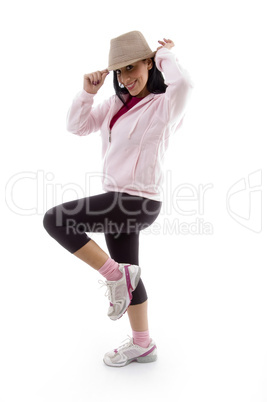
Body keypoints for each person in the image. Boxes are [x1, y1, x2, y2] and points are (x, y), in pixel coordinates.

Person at [43, 30, 193, 367]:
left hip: (137, 203)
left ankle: (116, 276)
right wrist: (87, 93)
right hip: (117, 201)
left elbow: (183, 84)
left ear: (148, 64)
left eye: (132, 68)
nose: (127, 78)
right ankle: (143, 343)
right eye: (120, 72)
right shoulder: (115, 103)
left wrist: (165, 55)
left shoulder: (165, 105)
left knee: (55, 219)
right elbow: (77, 126)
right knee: (130, 272)